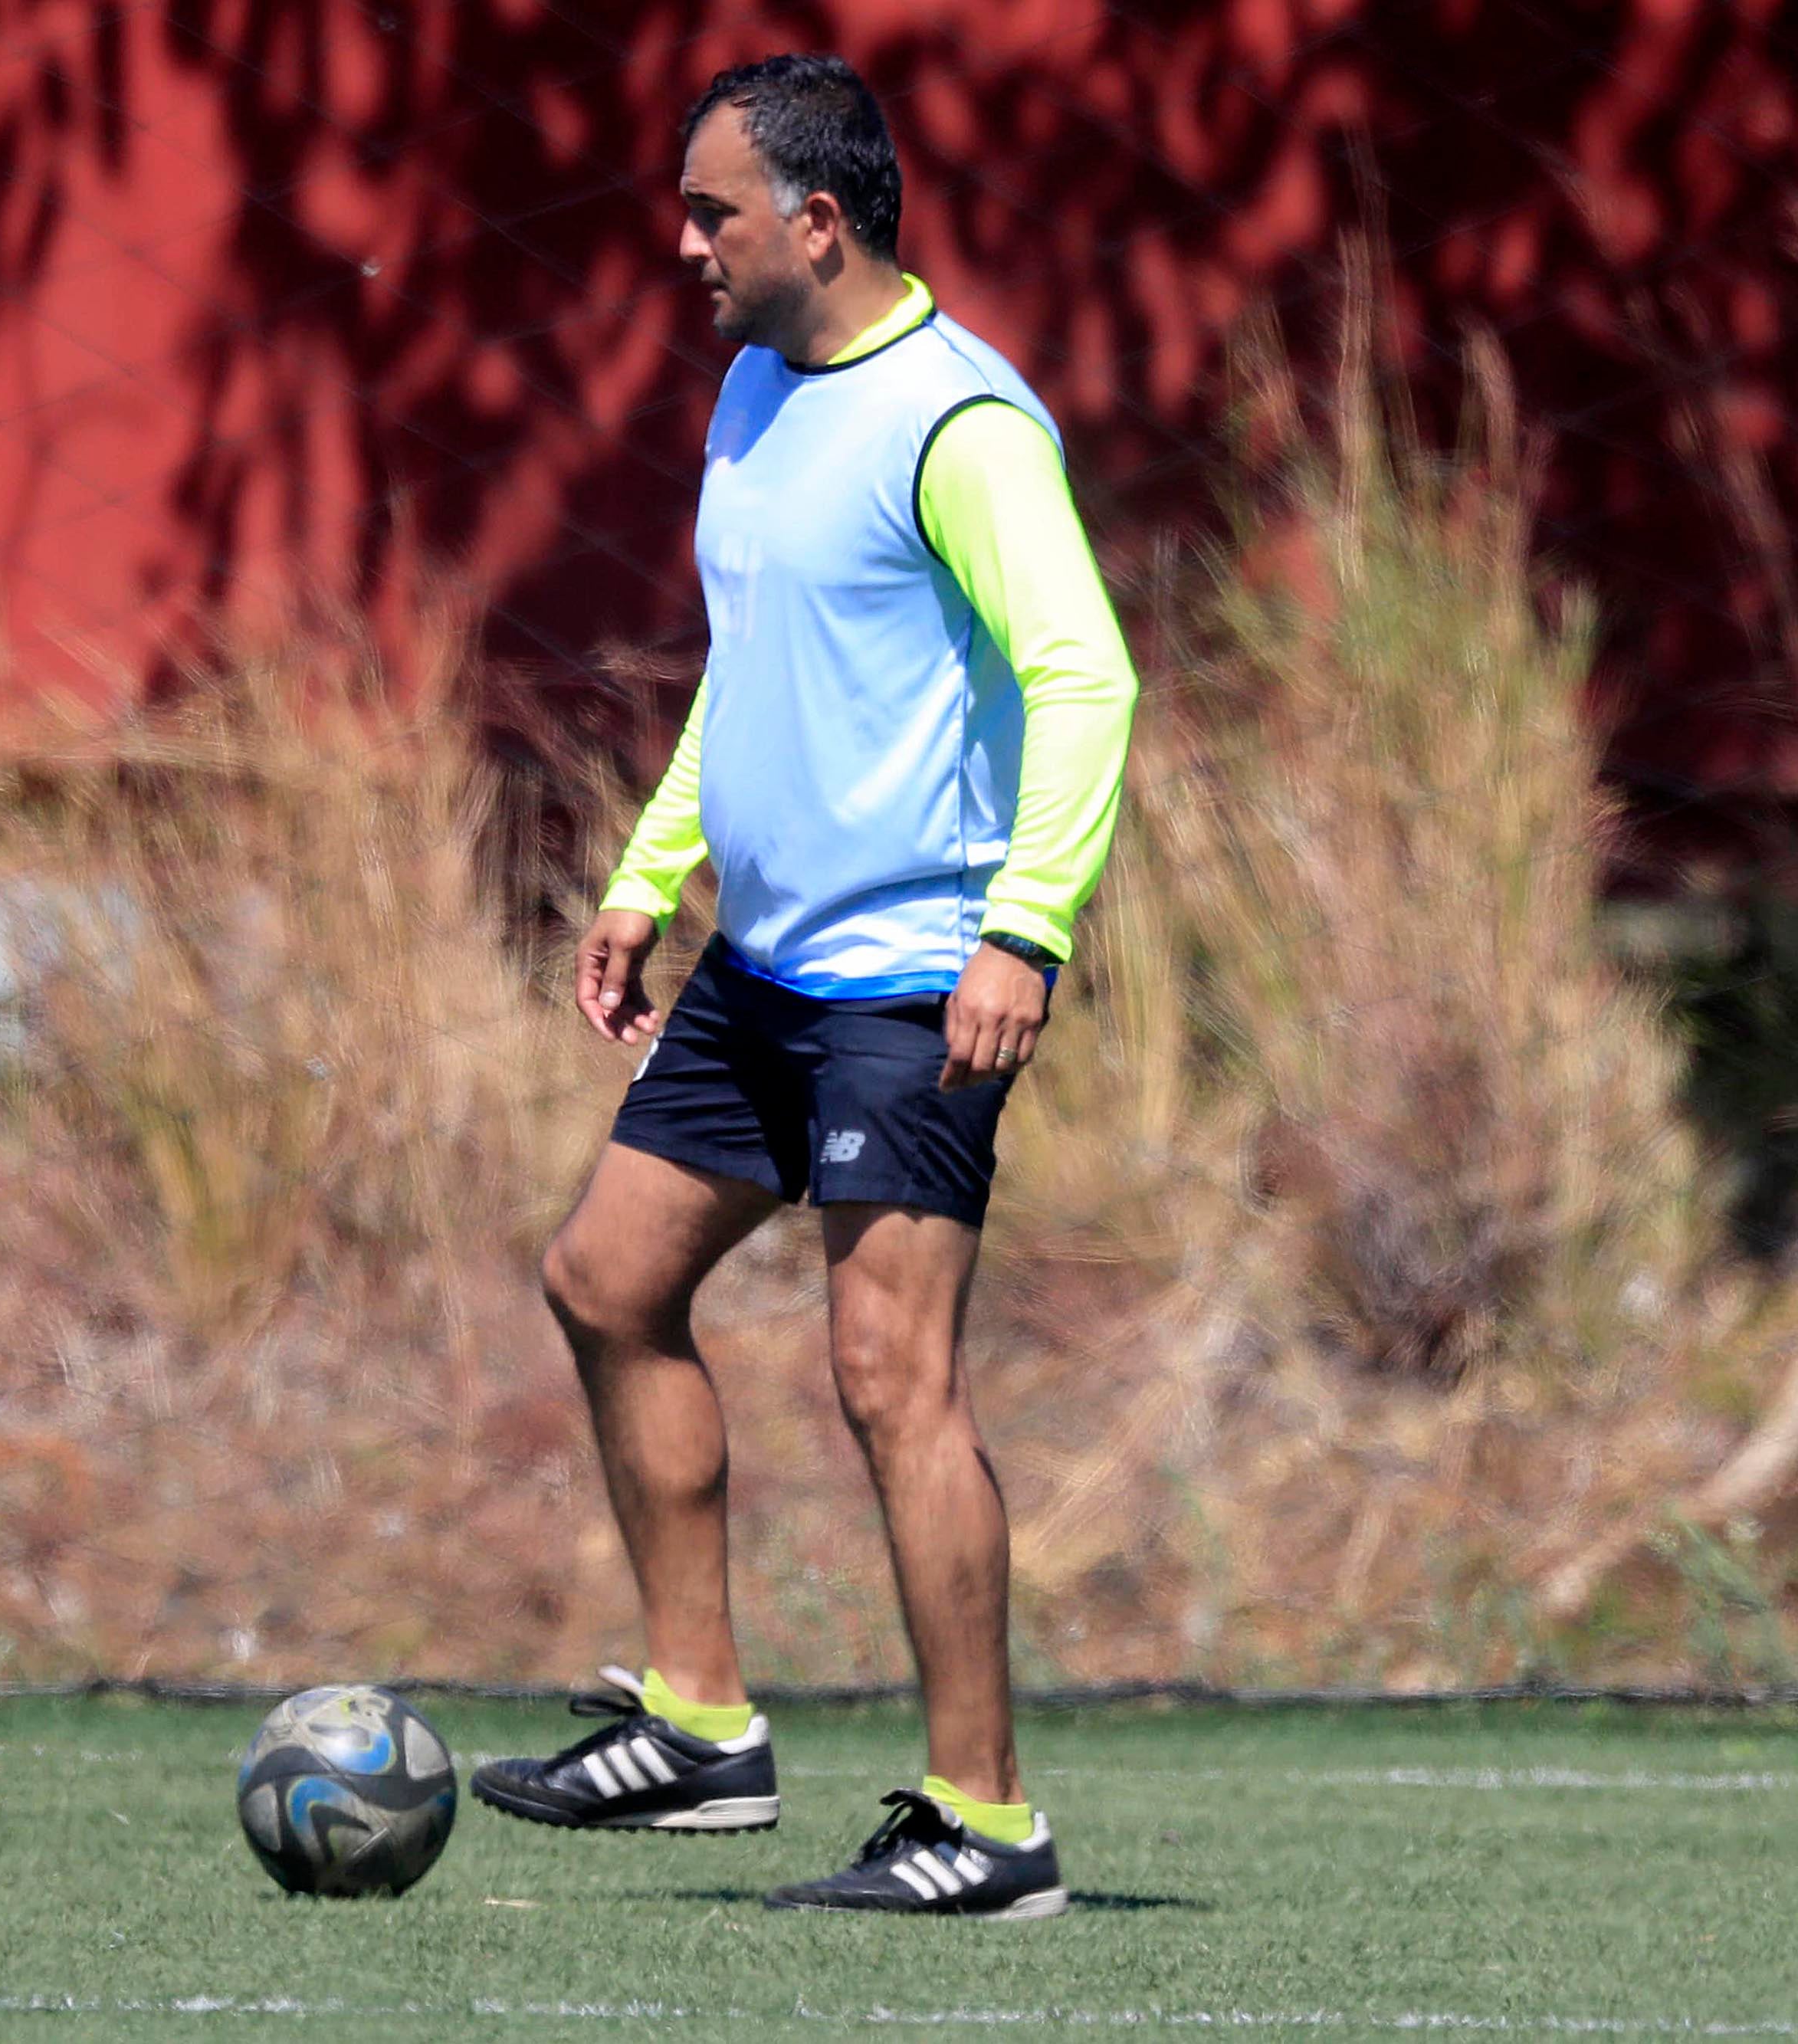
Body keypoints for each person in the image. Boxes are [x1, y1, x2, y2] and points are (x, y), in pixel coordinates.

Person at [468, 53, 1137, 1921]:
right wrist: (646, 873)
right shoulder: (756, 387)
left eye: (712, 214)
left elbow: (1083, 676)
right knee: (604, 1280)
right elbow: (751, 663)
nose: (683, 244)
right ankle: (697, 1725)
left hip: (910, 979)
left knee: (885, 1372)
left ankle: (984, 1823)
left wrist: (1023, 927)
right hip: (758, 968)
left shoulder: (959, 423)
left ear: (817, 222)